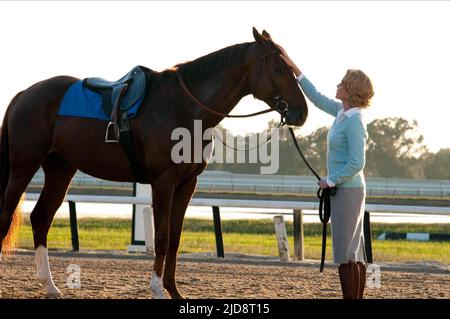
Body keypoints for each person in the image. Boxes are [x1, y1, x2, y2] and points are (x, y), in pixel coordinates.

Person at [278, 45, 374, 299]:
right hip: (345, 189)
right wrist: (293, 67)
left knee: (346, 253)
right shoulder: (342, 112)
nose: (338, 85)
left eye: (342, 83)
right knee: (352, 251)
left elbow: (357, 162)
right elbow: (316, 96)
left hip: (348, 189)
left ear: (351, 90)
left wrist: (330, 180)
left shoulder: (354, 121)